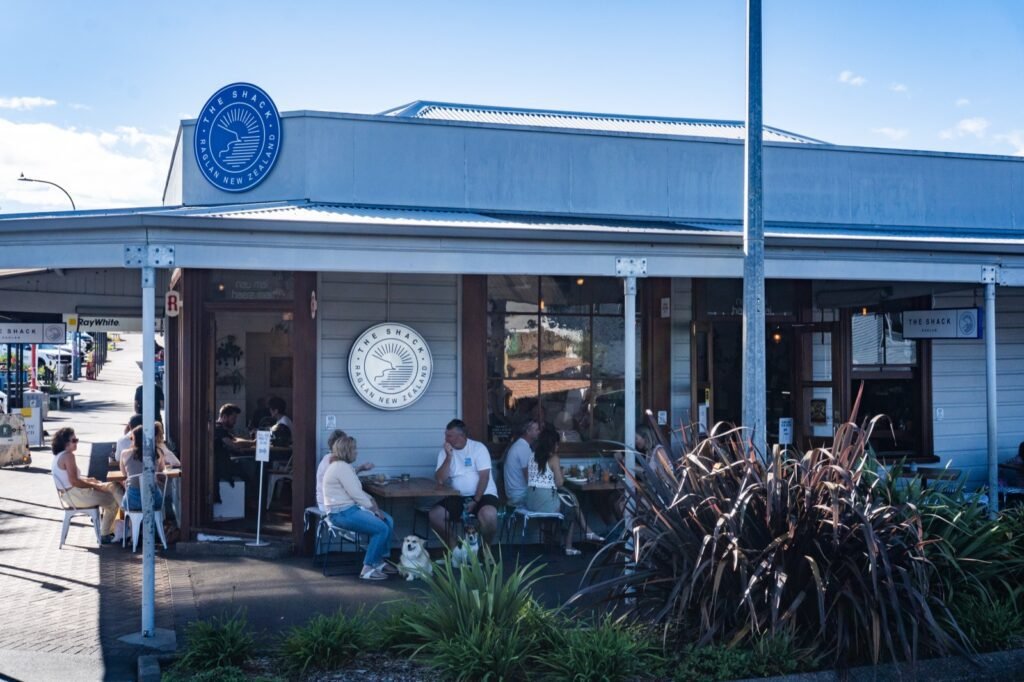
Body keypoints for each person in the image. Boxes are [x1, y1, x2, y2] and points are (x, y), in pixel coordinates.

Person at [322, 434, 395, 580]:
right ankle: (367, 568)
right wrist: (374, 509)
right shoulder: (341, 467)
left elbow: (357, 491)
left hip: (349, 510)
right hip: (341, 513)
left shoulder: (344, 467)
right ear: (347, 451)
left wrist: (373, 503)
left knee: (388, 520)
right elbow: (356, 494)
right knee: (382, 528)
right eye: (354, 449)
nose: (356, 452)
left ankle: (378, 560)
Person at [430, 419, 500, 547]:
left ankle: (485, 549)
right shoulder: (445, 452)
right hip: (459, 496)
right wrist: (449, 457)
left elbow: (484, 477)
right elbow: (440, 479)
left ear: (461, 436)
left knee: (489, 515)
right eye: (446, 435)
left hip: (483, 494)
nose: (445, 438)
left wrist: (476, 500)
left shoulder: (478, 448)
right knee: (435, 515)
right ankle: (454, 546)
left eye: (449, 435)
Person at [51, 427, 123, 542]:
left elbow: (71, 479)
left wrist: (90, 480)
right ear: (65, 443)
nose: (76, 443)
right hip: (76, 495)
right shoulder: (68, 456)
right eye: (74, 441)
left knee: (113, 489)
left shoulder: (58, 456)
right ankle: (109, 532)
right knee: (113, 498)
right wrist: (94, 486)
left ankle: (111, 530)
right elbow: (74, 481)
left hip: (70, 495)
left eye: (77, 440)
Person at [525, 427, 581, 555]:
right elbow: (559, 483)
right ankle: (568, 546)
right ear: (552, 444)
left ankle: (551, 541)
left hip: (530, 501)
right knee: (571, 508)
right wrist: (560, 473)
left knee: (562, 502)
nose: (558, 446)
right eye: (557, 443)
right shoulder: (554, 458)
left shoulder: (532, 456)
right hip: (546, 504)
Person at [316, 429, 374, 512]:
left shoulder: (333, 459)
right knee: (370, 509)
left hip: (332, 502)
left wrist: (361, 468)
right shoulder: (332, 461)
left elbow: (344, 476)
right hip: (332, 505)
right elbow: (353, 491)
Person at [119, 425, 165, 512]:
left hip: (132, 501)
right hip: (153, 500)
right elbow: (161, 470)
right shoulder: (158, 452)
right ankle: (159, 523)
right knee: (159, 493)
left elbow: (125, 474)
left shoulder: (125, 454)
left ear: (134, 439)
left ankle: (131, 525)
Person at [503, 419, 540, 507]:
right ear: (528, 431)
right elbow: (529, 478)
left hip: (514, 493)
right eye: (536, 429)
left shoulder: (520, 445)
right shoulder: (523, 448)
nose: (539, 432)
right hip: (520, 495)